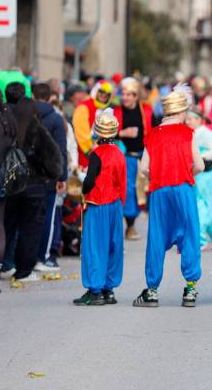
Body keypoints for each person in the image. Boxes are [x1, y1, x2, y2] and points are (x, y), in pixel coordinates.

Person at [132, 88, 204, 308]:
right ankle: (190, 290)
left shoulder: (153, 134)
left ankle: (152, 290)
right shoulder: (188, 133)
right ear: (181, 111)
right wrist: (183, 172)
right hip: (183, 188)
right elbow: (199, 165)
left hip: (160, 190)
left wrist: (161, 172)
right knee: (190, 235)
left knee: (156, 237)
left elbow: (144, 168)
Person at [3, 83, 62, 283]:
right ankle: (24, 270)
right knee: (30, 230)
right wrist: (51, 174)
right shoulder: (37, 129)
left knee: (8, 226)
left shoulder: (7, 128)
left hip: (11, 185)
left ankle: (1, 265)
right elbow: (53, 158)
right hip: (35, 185)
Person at [73, 110, 126, 306]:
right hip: (115, 204)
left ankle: (94, 290)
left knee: (95, 246)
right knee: (113, 246)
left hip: (98, 204)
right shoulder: (120, 153)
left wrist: (82, 189)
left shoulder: (96, 154)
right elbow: (122, 182)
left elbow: (89, 181)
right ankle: (108, 289)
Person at [33, 83, 68, 272]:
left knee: (29, 218)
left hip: (29, 174)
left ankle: (25, 259)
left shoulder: (25, 115)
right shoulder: (55, 119)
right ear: (49, 98)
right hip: (50, 174)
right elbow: (61, 150)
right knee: (48, 217)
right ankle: (43, 257)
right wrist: (62, 176)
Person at [113, 77, 153, 240]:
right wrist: (121, 133)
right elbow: (101, 132)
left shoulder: (147, 111)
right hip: (123, 157)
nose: (125, 97)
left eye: (129, 94)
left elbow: (155, 130)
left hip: (143, 156)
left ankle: (132, 222)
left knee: (141, 191)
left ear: (136, 96)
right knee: (128, 190)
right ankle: (129, 225)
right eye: (123, 94)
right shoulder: (115, 111)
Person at [184, 106, 212, 251]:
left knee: (204, 203)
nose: (187, 121)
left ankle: (200, 240)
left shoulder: (206, 134)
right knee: (204, 204)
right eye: (186, 119)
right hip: (196, 173)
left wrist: (200, 156)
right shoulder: (191, 133)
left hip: (206, 173)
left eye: (190, 119)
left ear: (198, 120)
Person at [73, 80, 113, 168]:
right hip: (85, 157)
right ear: (96, 91)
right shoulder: (84, 107)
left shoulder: (108, 110)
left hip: (102, 156)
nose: (103, 96)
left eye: (107, 95)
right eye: (101, 93)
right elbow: (81, 134)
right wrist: (91, 152)